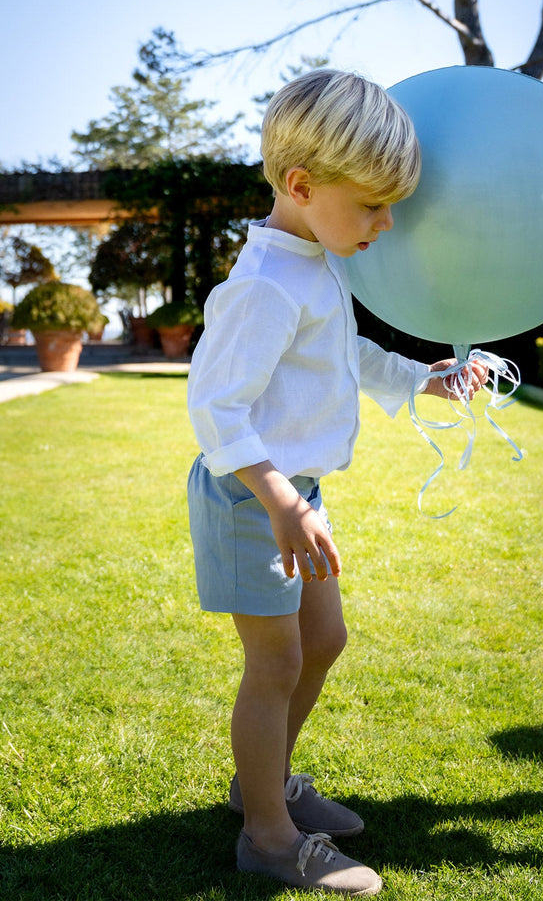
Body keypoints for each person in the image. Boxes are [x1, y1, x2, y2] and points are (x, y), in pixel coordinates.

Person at [186, 69, 488, 896]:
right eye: (371, 206)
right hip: (254, 499)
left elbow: (340, 354)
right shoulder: (262, 284)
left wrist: (412, 377)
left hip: (294, 494)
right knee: (276, 662)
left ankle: (268, 782)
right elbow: (215, 406)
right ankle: (268, 836)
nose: (386, 225)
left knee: (324, 643)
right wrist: (279, 497)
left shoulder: (315, 264)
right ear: (300, 184)